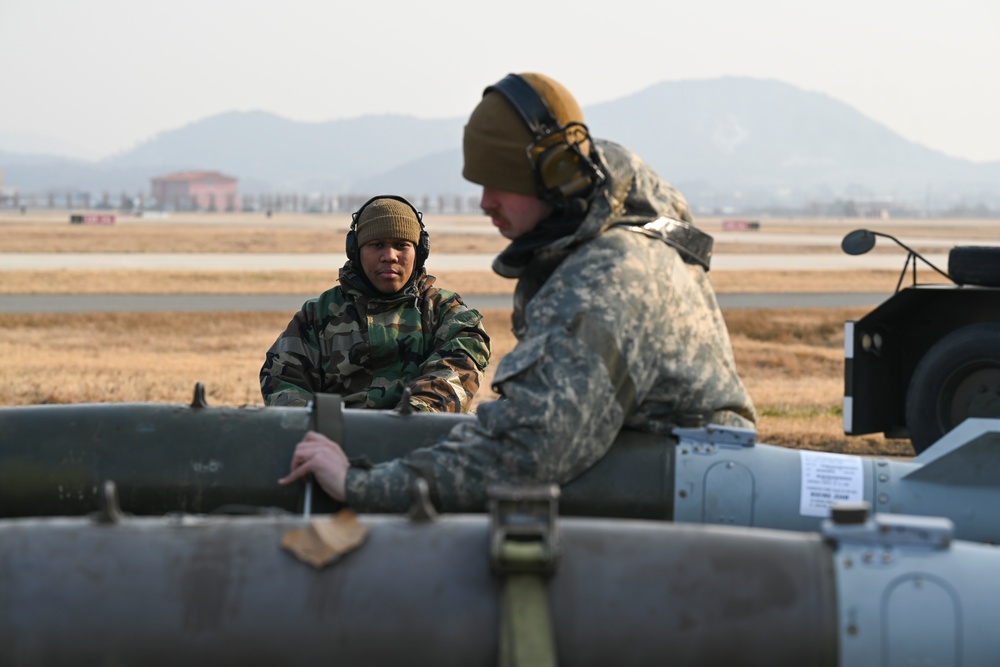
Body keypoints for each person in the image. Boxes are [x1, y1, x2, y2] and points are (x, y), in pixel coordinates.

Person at [280, 73, 756, 510]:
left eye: (500, 182)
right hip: (678, 495)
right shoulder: (614, 251)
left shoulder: (611, 276)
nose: (486, 202)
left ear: (555, 174)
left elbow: (526, 452)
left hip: (689, 511)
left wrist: (358, 485)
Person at [260, 195, 491, 413]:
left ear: (419, 252)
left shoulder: (445, 312)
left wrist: (414, 415)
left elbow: (457, 369)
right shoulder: (317, 316)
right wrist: (317, 426)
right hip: (335, 440)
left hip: (420, 437)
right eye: (377, 245)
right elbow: (284, 380)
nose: (389, 256)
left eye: (401, 245)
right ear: (355, 251)